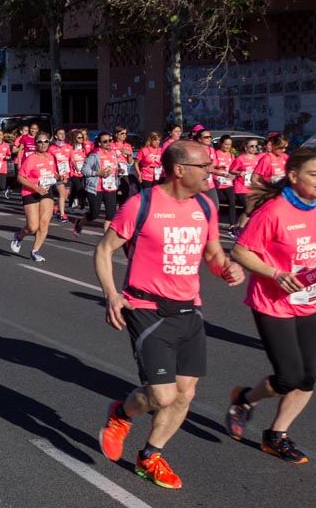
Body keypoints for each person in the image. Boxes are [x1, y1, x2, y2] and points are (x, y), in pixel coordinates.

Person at [93, 140, 244, 489]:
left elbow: (213, 254)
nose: (213, 169)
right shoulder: (141, 204)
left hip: (190, 309)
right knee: (162, 396)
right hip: (147, 308)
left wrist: (227, 269)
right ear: (180, 170)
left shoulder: (206, 205)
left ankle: (150, 457)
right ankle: (120, 414)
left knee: (185, 395)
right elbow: (104, 251)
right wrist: (113, 295)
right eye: (205, 165)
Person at [225, 148, 316, 464]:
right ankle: (244, 399)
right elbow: (241, 252)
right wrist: (275, 273)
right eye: (313, 174)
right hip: (273, 302)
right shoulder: (274, 212)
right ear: (293, 176)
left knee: (308, 377)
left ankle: (276, 434)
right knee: (289, 376)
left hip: (310, 301)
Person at [9, 132, 60, 262]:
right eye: (40, 142)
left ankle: (35, 251)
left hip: (46, 191)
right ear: (35, 143)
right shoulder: (31, 159)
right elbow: (20, 177)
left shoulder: (50, 157)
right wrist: (35, 187)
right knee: (32, 227)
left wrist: (58, 177)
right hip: (30, 192)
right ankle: (19, 237)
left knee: (44, 223)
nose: (43, 144)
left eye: (46, 141)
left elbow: (53, 173)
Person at [73, 132, 120, 238]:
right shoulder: (94, 155)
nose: (109, 143)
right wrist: (98, 173)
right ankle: (79, 224)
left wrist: (119, 170)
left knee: (110, 215)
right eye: (105, 141)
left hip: (110, 187)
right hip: (95, 188)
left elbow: (114, 168)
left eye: (110, 140)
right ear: (99, 143)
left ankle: (106, 241)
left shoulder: (113, 154)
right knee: (94, 214)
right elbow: (84, 170)